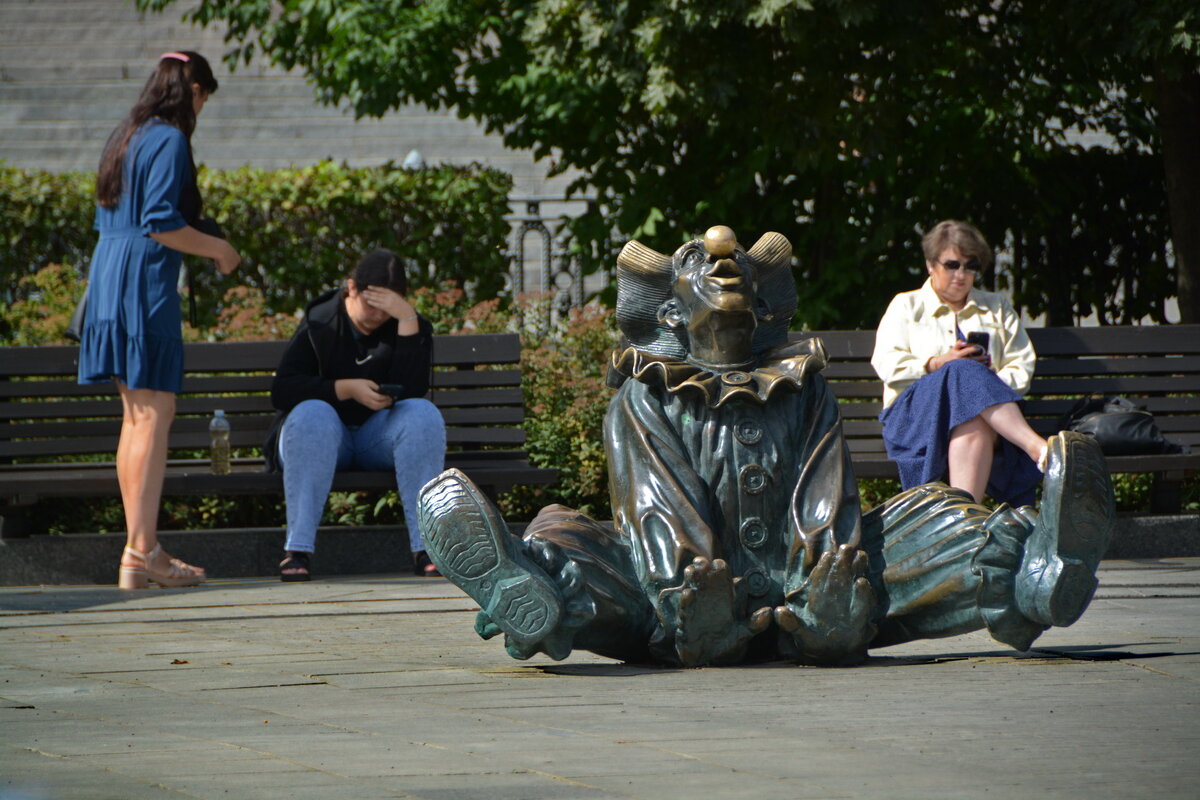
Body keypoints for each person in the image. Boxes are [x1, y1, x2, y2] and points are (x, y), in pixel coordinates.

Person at [416, 225, 1115, 668]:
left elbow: (826, 488)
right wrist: (687, 591)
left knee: (932, 516)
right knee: (569, 537)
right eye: (700, 260)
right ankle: (527, 584)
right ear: (668, 310)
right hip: (674, 601)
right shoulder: (645, 394)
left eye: (741, 265)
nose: (723, 251)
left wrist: (827, 587)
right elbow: (656, 509)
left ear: (762, 303)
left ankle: (1033, 573)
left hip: (816, 593)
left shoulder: (801, 384)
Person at [78, 51, 242, 589]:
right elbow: (161, 225)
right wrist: (220, 249)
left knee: (136, 416)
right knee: (155, 414)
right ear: (193, 89)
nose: (201, 108)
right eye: (203, 98)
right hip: (141, 283)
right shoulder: (169, 138)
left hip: (107, 276)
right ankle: (144, 550)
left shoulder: (125, 135)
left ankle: (137, 550)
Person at [266, 249, 447, 581]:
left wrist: (408, 322)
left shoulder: (406, 325)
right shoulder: (321, 321)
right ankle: (298, 551)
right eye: (370, 304)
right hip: (320, 439)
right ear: (351, 288)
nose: (378, 315)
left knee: (422, 414)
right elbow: (283, 391)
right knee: (311, 413)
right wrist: (343, 389)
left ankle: (427, 550)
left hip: (375, 439)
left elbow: (414, 389)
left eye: (388, 307)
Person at [871, 220, 1048, 507]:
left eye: (971, 266)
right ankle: (1038, 448)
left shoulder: (997, 307)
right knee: (961, 370)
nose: (961, 274)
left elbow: (1021, 367)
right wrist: (936, 364)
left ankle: (966, 525)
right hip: (914, 419)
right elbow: (886, 364)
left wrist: (983, 385)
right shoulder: (906, 305)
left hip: (989, 423)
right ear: (931, 264)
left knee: (972, 406)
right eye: (952, 265)